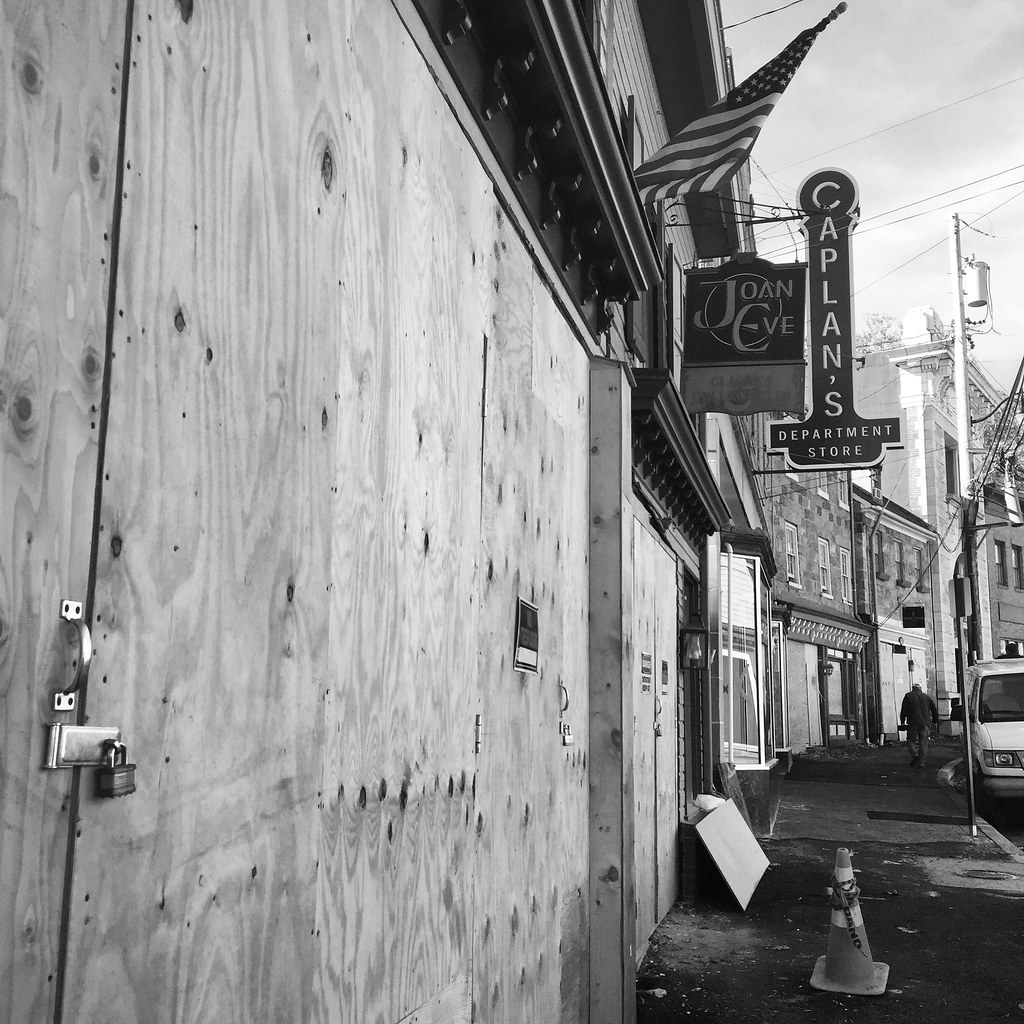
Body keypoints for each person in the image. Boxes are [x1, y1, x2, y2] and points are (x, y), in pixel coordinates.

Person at [900, 681, 938, 767]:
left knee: (910, 740)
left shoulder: (908, 696)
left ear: (912, 688)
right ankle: (921, 762)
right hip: (925, 722)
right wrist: (935, 720)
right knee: (923, 742)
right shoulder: (927, 697)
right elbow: (934, 709)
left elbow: (904, 710)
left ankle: (915, 755)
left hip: (912, 722)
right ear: (921, 688)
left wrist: (902, 721)